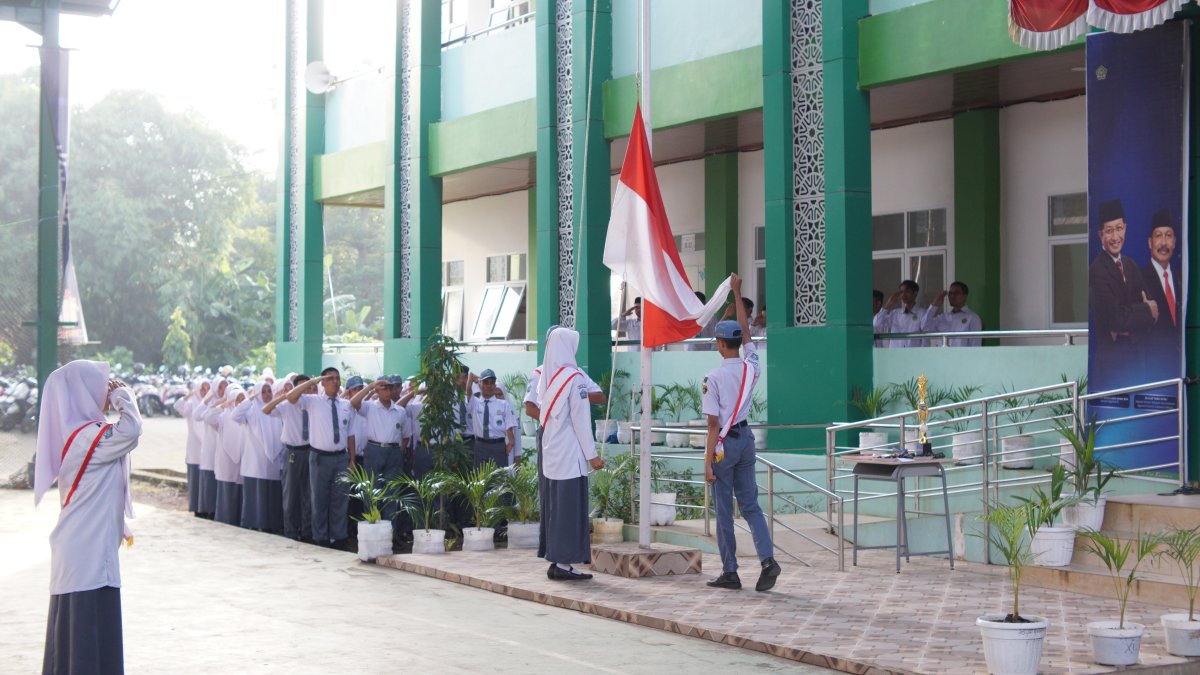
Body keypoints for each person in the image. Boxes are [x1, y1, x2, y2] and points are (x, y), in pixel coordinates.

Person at [35, 361, 143, 674]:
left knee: (75, 637)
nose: (105, 390)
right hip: (87, 553)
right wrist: (124, 396)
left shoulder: (80, 435)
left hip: (83, 549)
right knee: (87, 639)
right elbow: (132, 430)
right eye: (100, 384)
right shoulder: (88, 438)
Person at [704, 274, 780, 592]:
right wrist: (737, 293)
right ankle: (767, 560)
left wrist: (707, 461)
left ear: (721, 344)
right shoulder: (752, 365)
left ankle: (730, 571)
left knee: (724, 510)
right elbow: (747, 330)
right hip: (746, 440)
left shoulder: (714, 376)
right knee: (750, 506)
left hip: (723, 445)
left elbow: (712, 425)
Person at [537, 327, 604, 580]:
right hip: (570, 455)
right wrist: (592, 455)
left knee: (556, 509)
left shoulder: (550, 378)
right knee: (569, 510)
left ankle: (556, 560)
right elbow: (581, 421)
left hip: (552, 452)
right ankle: (564, 565)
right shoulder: (574, 379)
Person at [1089, 199, 1157, 385]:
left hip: (1136, 362)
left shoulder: (1130, 265)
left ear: (1125, 229)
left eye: (1119, 228)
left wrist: (1130, 321)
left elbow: (1154, 312)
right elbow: (1117, 318)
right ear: (1100, 235)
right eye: (1109, 231)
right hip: (1111, 366)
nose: (1115, 236)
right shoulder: (1097, 270)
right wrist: (1143, 310)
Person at [286, 367, 355, 547]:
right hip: (319, 457)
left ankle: (338, 537)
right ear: (323, 382)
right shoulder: (313, 401)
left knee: (340, 498)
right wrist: (311, 382)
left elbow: (350, 434)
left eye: (337, 378)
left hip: (340, 457)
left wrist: (352, 459)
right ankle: (321, 537)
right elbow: (291, 398)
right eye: (330, 378)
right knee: (319, 498)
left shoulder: (345, 405)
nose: (334, 381)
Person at [351, 376, 409, 524]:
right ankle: (373, 529)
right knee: (372, 491)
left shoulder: (400, 411)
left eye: (390, 387)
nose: (387, 391)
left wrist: (399, 452)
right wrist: (370, 386)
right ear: (377, 390)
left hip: (394, 451)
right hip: (374, 450)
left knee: (392, 493)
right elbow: (354, 402)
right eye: (383, 387)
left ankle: (391, 533)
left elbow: (406, 435)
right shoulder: (370, 406)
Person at [262, 374, 312, 542]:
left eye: (308, 386)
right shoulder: (286, 405)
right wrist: (283, 396)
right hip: (293, 453)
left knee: (308, 494)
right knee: (290, 494)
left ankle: (306, 531)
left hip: (310, 451)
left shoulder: (313, 404)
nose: (305, 390)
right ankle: (290, 530)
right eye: (302, 387)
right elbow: (266, 410)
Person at [233, 377, 286, 532]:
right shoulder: (251, 410)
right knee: (256, 496)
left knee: (271, 494)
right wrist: (249, 400)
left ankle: (271, 525)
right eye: (262, 391)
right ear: (256, 394)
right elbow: (235, 416)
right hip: (254, 461)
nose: (267, 394)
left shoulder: (276, 410)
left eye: (269, 390)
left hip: (273, 461)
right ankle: (254, 523)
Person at [1140, 208, 1181, 362]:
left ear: (1175, 242)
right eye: (1158, 236)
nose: (1164, 243)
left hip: (1180, 366)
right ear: (1150, 242)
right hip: (1153, 367)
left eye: (1168, 236)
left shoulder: (1181, 278)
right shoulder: (1139, 278)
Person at [205, 383, 246, 527]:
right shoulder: (222, 416)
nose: (239, 402)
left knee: (241, 495)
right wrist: (223, 404)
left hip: (242, 460)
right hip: (226, 462)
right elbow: (207, 416)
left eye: (242, 399)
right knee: (227, 495)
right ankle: (224, 522)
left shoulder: (245, 416)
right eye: (236, 399)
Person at [466, 368, 517, 467]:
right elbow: (468, 389)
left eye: (492, 382)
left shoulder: (503, 404)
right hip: (480, 446)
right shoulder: (475, 403)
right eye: (485, 382)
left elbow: (509, 426)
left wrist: (511, 442)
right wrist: (473, 376)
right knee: (481, 480)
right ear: (480, 384)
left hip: (498, 446)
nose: (489, 386)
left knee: (499, 480)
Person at [174, 377, 209, 514]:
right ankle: (196, 508)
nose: (205, 392)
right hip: (195, 449)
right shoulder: (191, 405)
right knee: (196, 480)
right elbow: (177, 405)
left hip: (209, 449)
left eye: (207, 389)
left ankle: (206, 508)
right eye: (202, 389)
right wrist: (191, 394)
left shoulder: (211, 404)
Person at [193, 376, 226, 519]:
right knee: (210, 479)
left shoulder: (231, 403)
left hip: (224, 449)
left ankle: (219, 510)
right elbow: (197, 415)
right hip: (210, 447)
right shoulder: (209, 404)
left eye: (225, 386)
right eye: (220, 387)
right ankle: (209, 510)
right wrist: (209, 398)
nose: (223, 390)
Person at [877, 280, 936, 348]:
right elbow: (877, 324)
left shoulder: (922, 313)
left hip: (914, 355)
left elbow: (925, 339)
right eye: (901, 292)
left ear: (915, 294)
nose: (903, 295)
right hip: (895, 355)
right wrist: (887, 305)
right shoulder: (895, 313)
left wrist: (922, 355)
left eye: (907, 292)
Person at [927, 281, 983, 346]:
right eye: (950, 293)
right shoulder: (943, 317)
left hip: (960, 356)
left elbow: (975, 346)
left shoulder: (973, 318)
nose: (952, 296)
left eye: (956, 293)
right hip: (942, 355)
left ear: (965, 296)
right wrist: (934, 306)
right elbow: (925, 328)